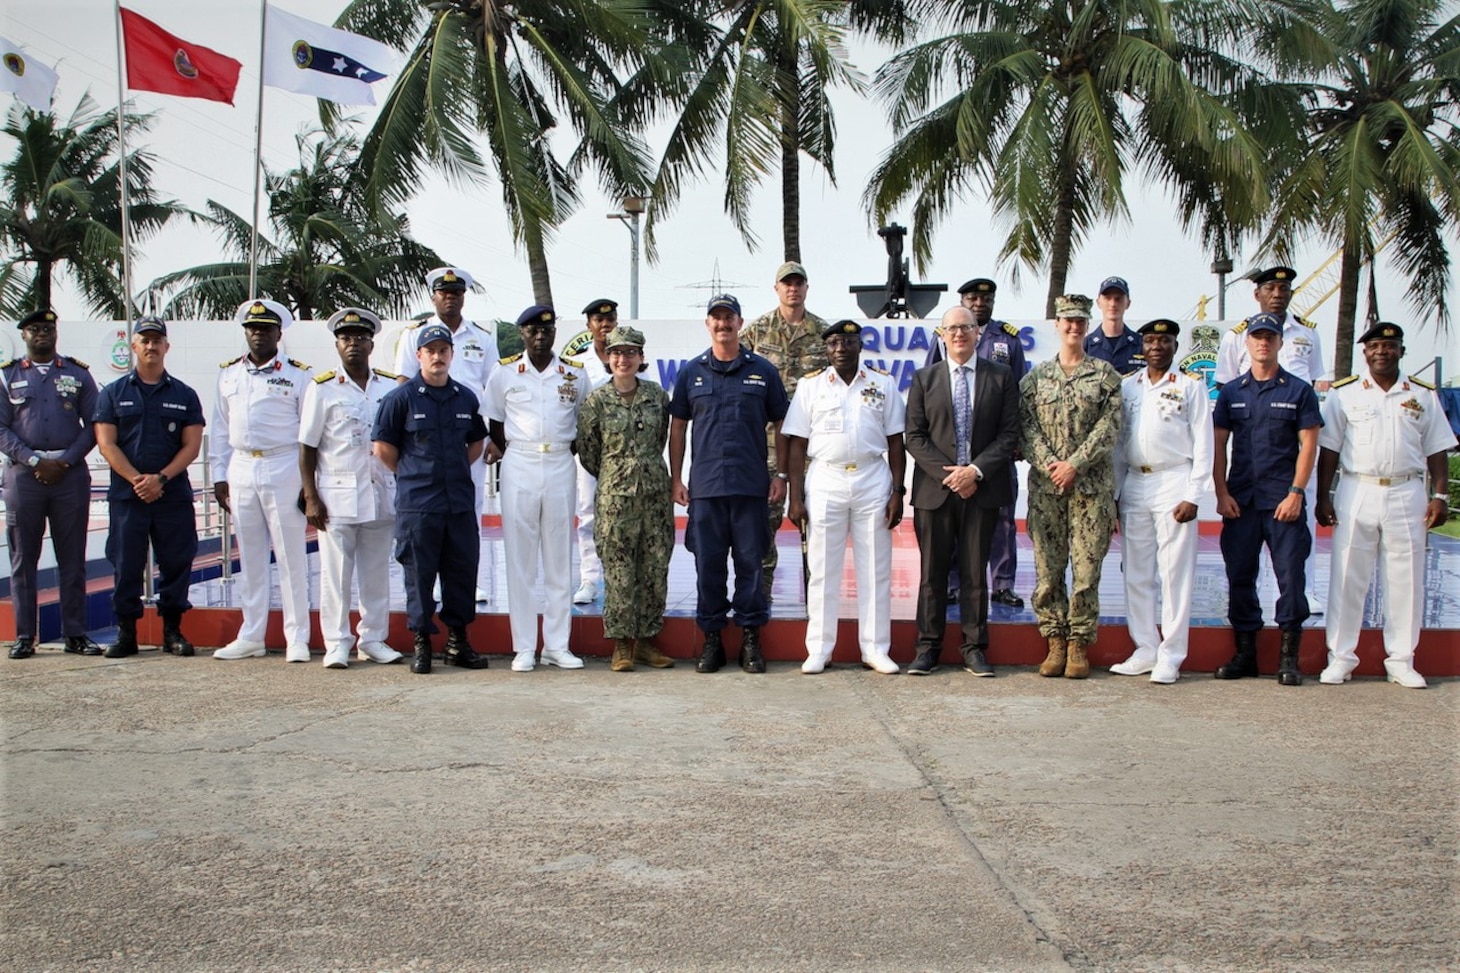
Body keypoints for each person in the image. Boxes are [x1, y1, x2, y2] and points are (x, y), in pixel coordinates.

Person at [1316, 323, 1455, 689]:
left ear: (1401, 351)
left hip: (1406, 491)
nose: (1382, 352)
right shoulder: (1345, 394)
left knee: (1406, 578)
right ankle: (1341, 657)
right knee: (1347, 577)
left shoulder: (1421, 395)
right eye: (1375, 346)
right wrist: (1322, 496)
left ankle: (1401, 659)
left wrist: (1440, 495)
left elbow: (1437, 447)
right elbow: (1329, 448)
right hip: (1356, 488)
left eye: (1390, 346)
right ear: (1365, 353)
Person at [669, 294, 790, 674]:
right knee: (708, 567)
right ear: (708, 324)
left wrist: (781, 474)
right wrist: (676, 478)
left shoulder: (763, 371)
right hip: (705, 489)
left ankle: (751, 640)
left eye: (729, 318)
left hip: (752, 487)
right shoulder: (691, 373)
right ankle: (712, 641)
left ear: (740, 323)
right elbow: (678, 427)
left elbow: (782, 423)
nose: (723, 324)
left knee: (751, 565)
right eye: (716, 318)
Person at [784, 319, 908, 675]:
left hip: (872, 477)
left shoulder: (882, 384)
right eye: (834, 342)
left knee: (876, 568)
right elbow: (797, 444)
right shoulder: (811, 387)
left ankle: (875, 649)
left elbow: (896, 441)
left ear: (860, 346)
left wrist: (898, 492)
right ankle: (819, 649)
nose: (841, 348)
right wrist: (796, 496)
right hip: (826, 478)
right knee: (822, 569)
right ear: (826, 349)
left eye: (848, 341)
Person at [904, 304, 1020, 675]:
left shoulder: (1000, 377)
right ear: (942, 335)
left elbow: (1008, 435)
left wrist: (975, 471)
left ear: (977, 333)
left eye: (966, 328)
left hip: (981, 489)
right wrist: (951, 475)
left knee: (974, 574)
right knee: (932, 575)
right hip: (935, 492)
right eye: (951, 328)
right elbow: (915, 436)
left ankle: (974, 648)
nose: (959, 334)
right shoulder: (925, 378)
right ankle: (927, 647)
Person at [1212, 312, 1323, 686]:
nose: (1263, 342)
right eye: (1257, 337)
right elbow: (1218, 446)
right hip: (1241, 501)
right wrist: (1221, 492)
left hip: (1283, 501)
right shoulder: (1232, 393)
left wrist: (1296, 492)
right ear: (1247, 343)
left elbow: (1309, 444)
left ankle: (1288, 658)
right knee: (1240, 576)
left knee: (1290, 578)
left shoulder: (1298, 391)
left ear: (1279, 343)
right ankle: (1245, 655)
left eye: (1269, 337)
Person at [373, 323, 491, 674]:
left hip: (458, 502)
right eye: (431, 351)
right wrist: (415, 475)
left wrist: (450, 470)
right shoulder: (400, 399)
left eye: (444, 350)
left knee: (461, 573)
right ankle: (422, 642)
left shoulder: (465, 397)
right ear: (419, 355)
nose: (437, 356)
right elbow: (383, 449)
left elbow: (475, 443)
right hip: (418, 505)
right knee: (419, 575)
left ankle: (457, 642)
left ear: (452, 355)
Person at [1021, 295, 1123, 679]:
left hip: (1091, 489)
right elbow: (1027, 428)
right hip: (1047, 489)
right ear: (1057, 324)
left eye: (1080, 321)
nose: (1074, 327)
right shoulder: (1035, 379)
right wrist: (1052, 466)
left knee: (1086, 569)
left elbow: (1108, 429)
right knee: (1048, 567)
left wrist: (1074, 465)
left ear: (1087, 323)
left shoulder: (1105, 376)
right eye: (1067, 320)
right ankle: (1054, 638)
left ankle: (1079, 642)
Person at [1215, 265, 1328, 613]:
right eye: (1271, 288)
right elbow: (1226, 396)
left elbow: (1318, 386)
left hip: (1291, 464)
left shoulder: (1308, 335)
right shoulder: (1236, 337)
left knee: (1294, 553)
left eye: (1284, 288)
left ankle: (1299, 609)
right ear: (1258, 294)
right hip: (1248, 474)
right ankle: (1246, 642)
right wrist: (1221, 490)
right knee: (1242, 566)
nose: (1278, 293)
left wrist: (1296, 489)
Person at [485, 305, 589, 672]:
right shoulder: (504, 373)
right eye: (532, 330)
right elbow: (496, 423)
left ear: (554, 333)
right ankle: (525, 646)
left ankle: (557, 646)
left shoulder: (575, 374)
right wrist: (515, 450)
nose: (540, 335)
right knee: (520, 560)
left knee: (560, 558)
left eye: (546, 329)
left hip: (561, 462)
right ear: (522, 334)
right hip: (520, 464)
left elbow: (582, 421)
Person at [92, 317, 205, 658]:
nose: (152, 346)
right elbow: (106, 444)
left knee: (176, 561)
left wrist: (161, 479)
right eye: (145, 341)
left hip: (172, 494)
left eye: (158, 341)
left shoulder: (184, 394)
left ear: (166, 347)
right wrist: (137, 481)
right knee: (126, 563)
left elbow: (191, 446)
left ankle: (173, 631)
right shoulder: (113, 393)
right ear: (134, 346)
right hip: (129, 496)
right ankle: (127, 634)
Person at [299, 308, 404, 669]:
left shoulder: (390, 386)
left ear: (372, 343)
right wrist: (310, 496)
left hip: (380, 492)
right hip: (336, 494)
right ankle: (336, 642)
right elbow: (308, 445)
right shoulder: (322, 387)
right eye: (346, 338)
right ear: (337, 344)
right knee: (335, 575)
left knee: (377, 572)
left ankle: (373, 639)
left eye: (360, 338)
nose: (353, 344)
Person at [1110, 320, 1214, 684]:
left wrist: (1194, 494)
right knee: (1136, 573)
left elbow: (1204, 445)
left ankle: (1171, 654)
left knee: (1174, 574)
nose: (1157, 346)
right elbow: (1119, 448)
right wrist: (1115, 494)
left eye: (1164, 340)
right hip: (1136, 482)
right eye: (1150, 340)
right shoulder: (1128, 387)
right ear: (1142, 346)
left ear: (1175, 345)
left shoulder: (1190, 387)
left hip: (1174, 479)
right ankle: (1145, 648)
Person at [210, 300, 313, 663]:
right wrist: (219, 475)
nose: (258, 333)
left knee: (290, 556)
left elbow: (307, 433)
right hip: (241, 467)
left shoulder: (300, 375)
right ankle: (251, 634)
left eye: (266, 328)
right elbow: (220, 429)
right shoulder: (228, 374)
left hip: (283, 463)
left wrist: (307, 481)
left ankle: (297, 636)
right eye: (252, 328)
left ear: (278, 334)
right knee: (250, 557)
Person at [575, 325, 676, 672]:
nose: (623, 359)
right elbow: (589, 453)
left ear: (641, 357)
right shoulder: (596, 401)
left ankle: (647, 642)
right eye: (617, 353)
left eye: (631, 352)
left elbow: (662, 438)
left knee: (654, 567)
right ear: (608, 357)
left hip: (654, 497)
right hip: (614, 499)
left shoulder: (657, 397)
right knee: (618, 570)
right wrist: (617, 474)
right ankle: (621, 645)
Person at [394, 267, 498, 603]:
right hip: (424, 440)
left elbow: (493, 391)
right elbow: (403, 388)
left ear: (463, 297)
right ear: (433, 296)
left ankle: (470, 581)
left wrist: (495, 436)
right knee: (427, 520)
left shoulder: (481, 337)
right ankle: (432, 583)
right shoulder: (414, 335)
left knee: (470, 513)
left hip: (468, 437)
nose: (450, 298)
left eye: (456, 293)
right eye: (443, 292)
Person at [1, 310, 101, 659]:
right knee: (23, 559)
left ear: (56, 333)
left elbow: (94, 424)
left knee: (72, 557)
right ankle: (25, 635)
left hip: (68, 475)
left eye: (48, 328)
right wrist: (33, 460)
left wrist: (65, 461)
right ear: (24, 335)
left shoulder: (77, 374)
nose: (42, 334)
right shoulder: (7, 375)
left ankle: (75, 633)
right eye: (34, 329)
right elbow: (1, 429)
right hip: (24, 476)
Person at [929, 278, 1030, 609]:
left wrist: (1014, 441)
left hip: (995, 451)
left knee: (1002, 519)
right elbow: (933, 387)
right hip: (953, 450)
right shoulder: (943, 337)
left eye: (985, 298)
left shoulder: (1008, 341)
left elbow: (1019, 394)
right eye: (972, 297)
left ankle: (1002, 583)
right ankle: (954, 583)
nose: (979, 302)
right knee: (954, 521)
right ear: (962, 300)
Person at [741, 261, 829, 601]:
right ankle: (761, 595)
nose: (793, 289)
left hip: (813, 445)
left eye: (798, 283)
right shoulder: (757, 332)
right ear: (776, 288)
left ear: (807, 288)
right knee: (764, 523)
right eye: (786, 283)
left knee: (818, 524)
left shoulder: (824, 333)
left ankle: (818, 597)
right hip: (768, 444)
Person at [570, 298, 619, 604]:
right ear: (589, 325)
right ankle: (590, 579)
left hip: (622, 453)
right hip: (589, 452)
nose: (605, 324)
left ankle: (618, 579)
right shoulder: (578, 364)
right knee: (588, 514)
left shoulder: (630, 356)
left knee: (621, 516)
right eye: (598, 320)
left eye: (610, 318)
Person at [1082, 277, 1145, 375]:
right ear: (1098, 303)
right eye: (1107, 298)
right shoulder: (1085, 346)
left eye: (1118, 299)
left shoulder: (1141, 345)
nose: (1113, 304)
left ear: (1128, 303)